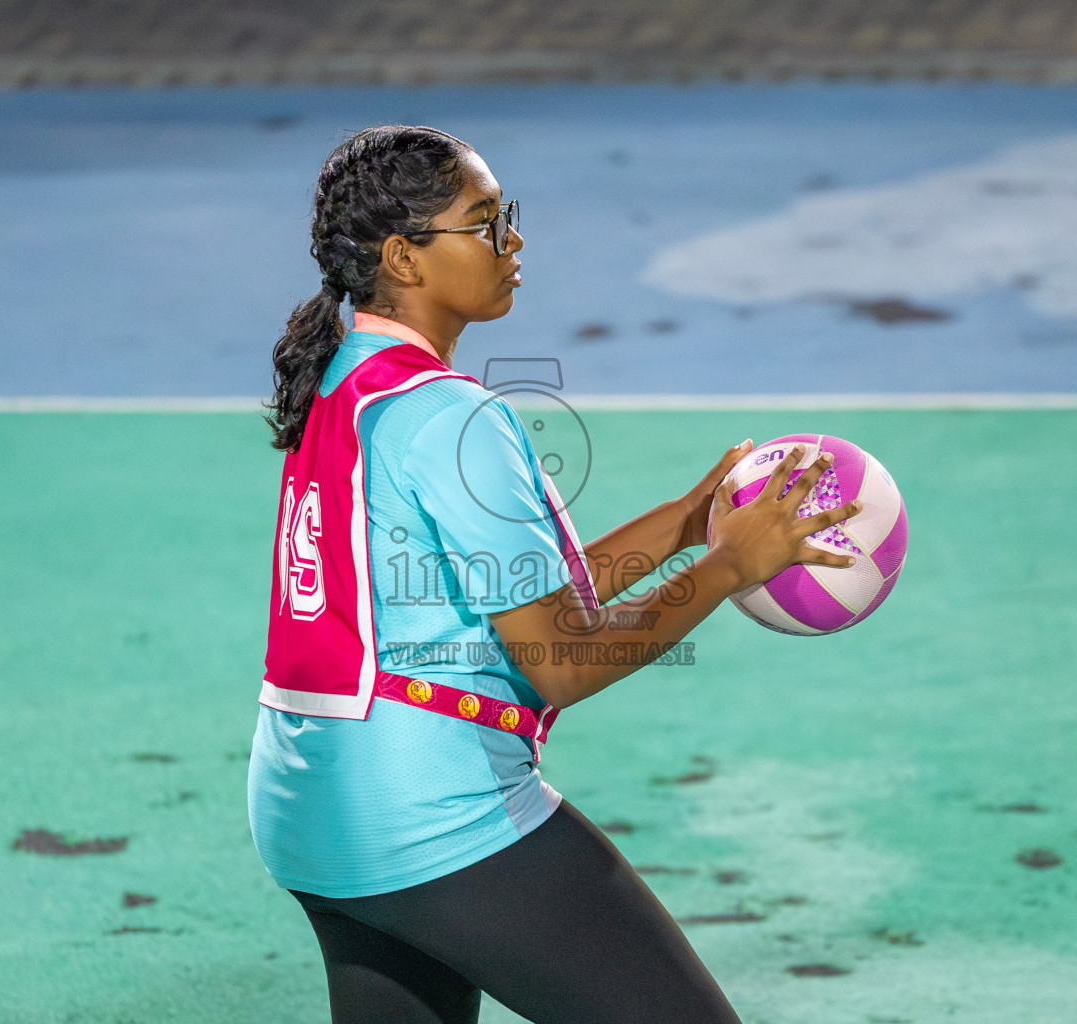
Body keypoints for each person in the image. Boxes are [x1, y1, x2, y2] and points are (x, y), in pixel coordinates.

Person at [247, 124, 862, 1024]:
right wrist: (730, 567)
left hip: (313, 809)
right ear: (403, 258)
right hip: (430, 813)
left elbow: (499, 597)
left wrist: (690, 525)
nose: (514, 241)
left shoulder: (345, 381)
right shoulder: (457, 418)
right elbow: (562, 660)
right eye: (486, 221)